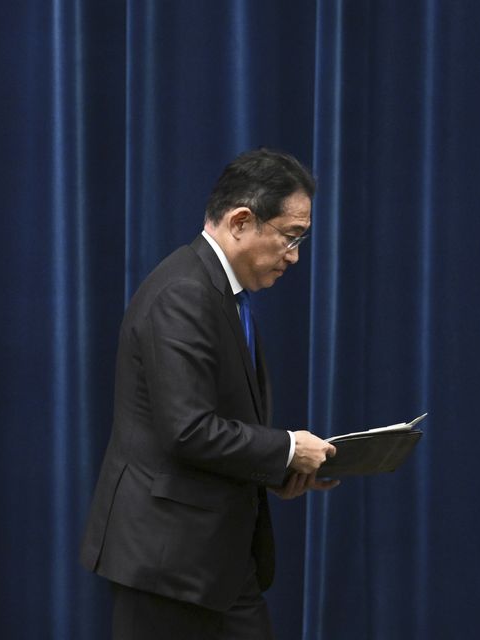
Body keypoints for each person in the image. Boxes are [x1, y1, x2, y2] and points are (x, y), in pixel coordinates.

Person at [80, 148, 338, 639]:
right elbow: (188, 429)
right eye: (291, 237)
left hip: (211, 561)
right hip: (167, 565)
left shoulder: (220, 292)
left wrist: (278, 469)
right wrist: (286, 448)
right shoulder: (185, 292)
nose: (295, 256)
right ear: (242, 220)